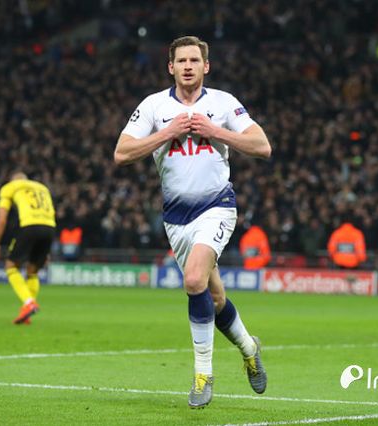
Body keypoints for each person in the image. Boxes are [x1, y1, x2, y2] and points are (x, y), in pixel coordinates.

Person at [114, 35, 271, 409]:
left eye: (194, 60)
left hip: (217, 206)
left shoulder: (224, 103)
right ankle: (249, 348)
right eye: (181, 61)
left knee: (193, 279)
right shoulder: (154, 106)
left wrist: (215, 131)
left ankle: (203, 375)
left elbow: (263, 147)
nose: (188, 66)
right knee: (214, 298)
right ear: (171, 67)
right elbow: (121, 153)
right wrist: (167, 133)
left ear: (206, 66)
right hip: (176, 218)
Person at [0, 172, 56, 325]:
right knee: (32, 271)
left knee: (11, 267)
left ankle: (29, 303)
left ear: (14, 180)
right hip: (49, 228)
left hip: (29, 226)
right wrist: (46, 249)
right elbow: (51, 213)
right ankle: (27, 311)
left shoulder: (10, 187)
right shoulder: (42, 188)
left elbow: (2, 219)